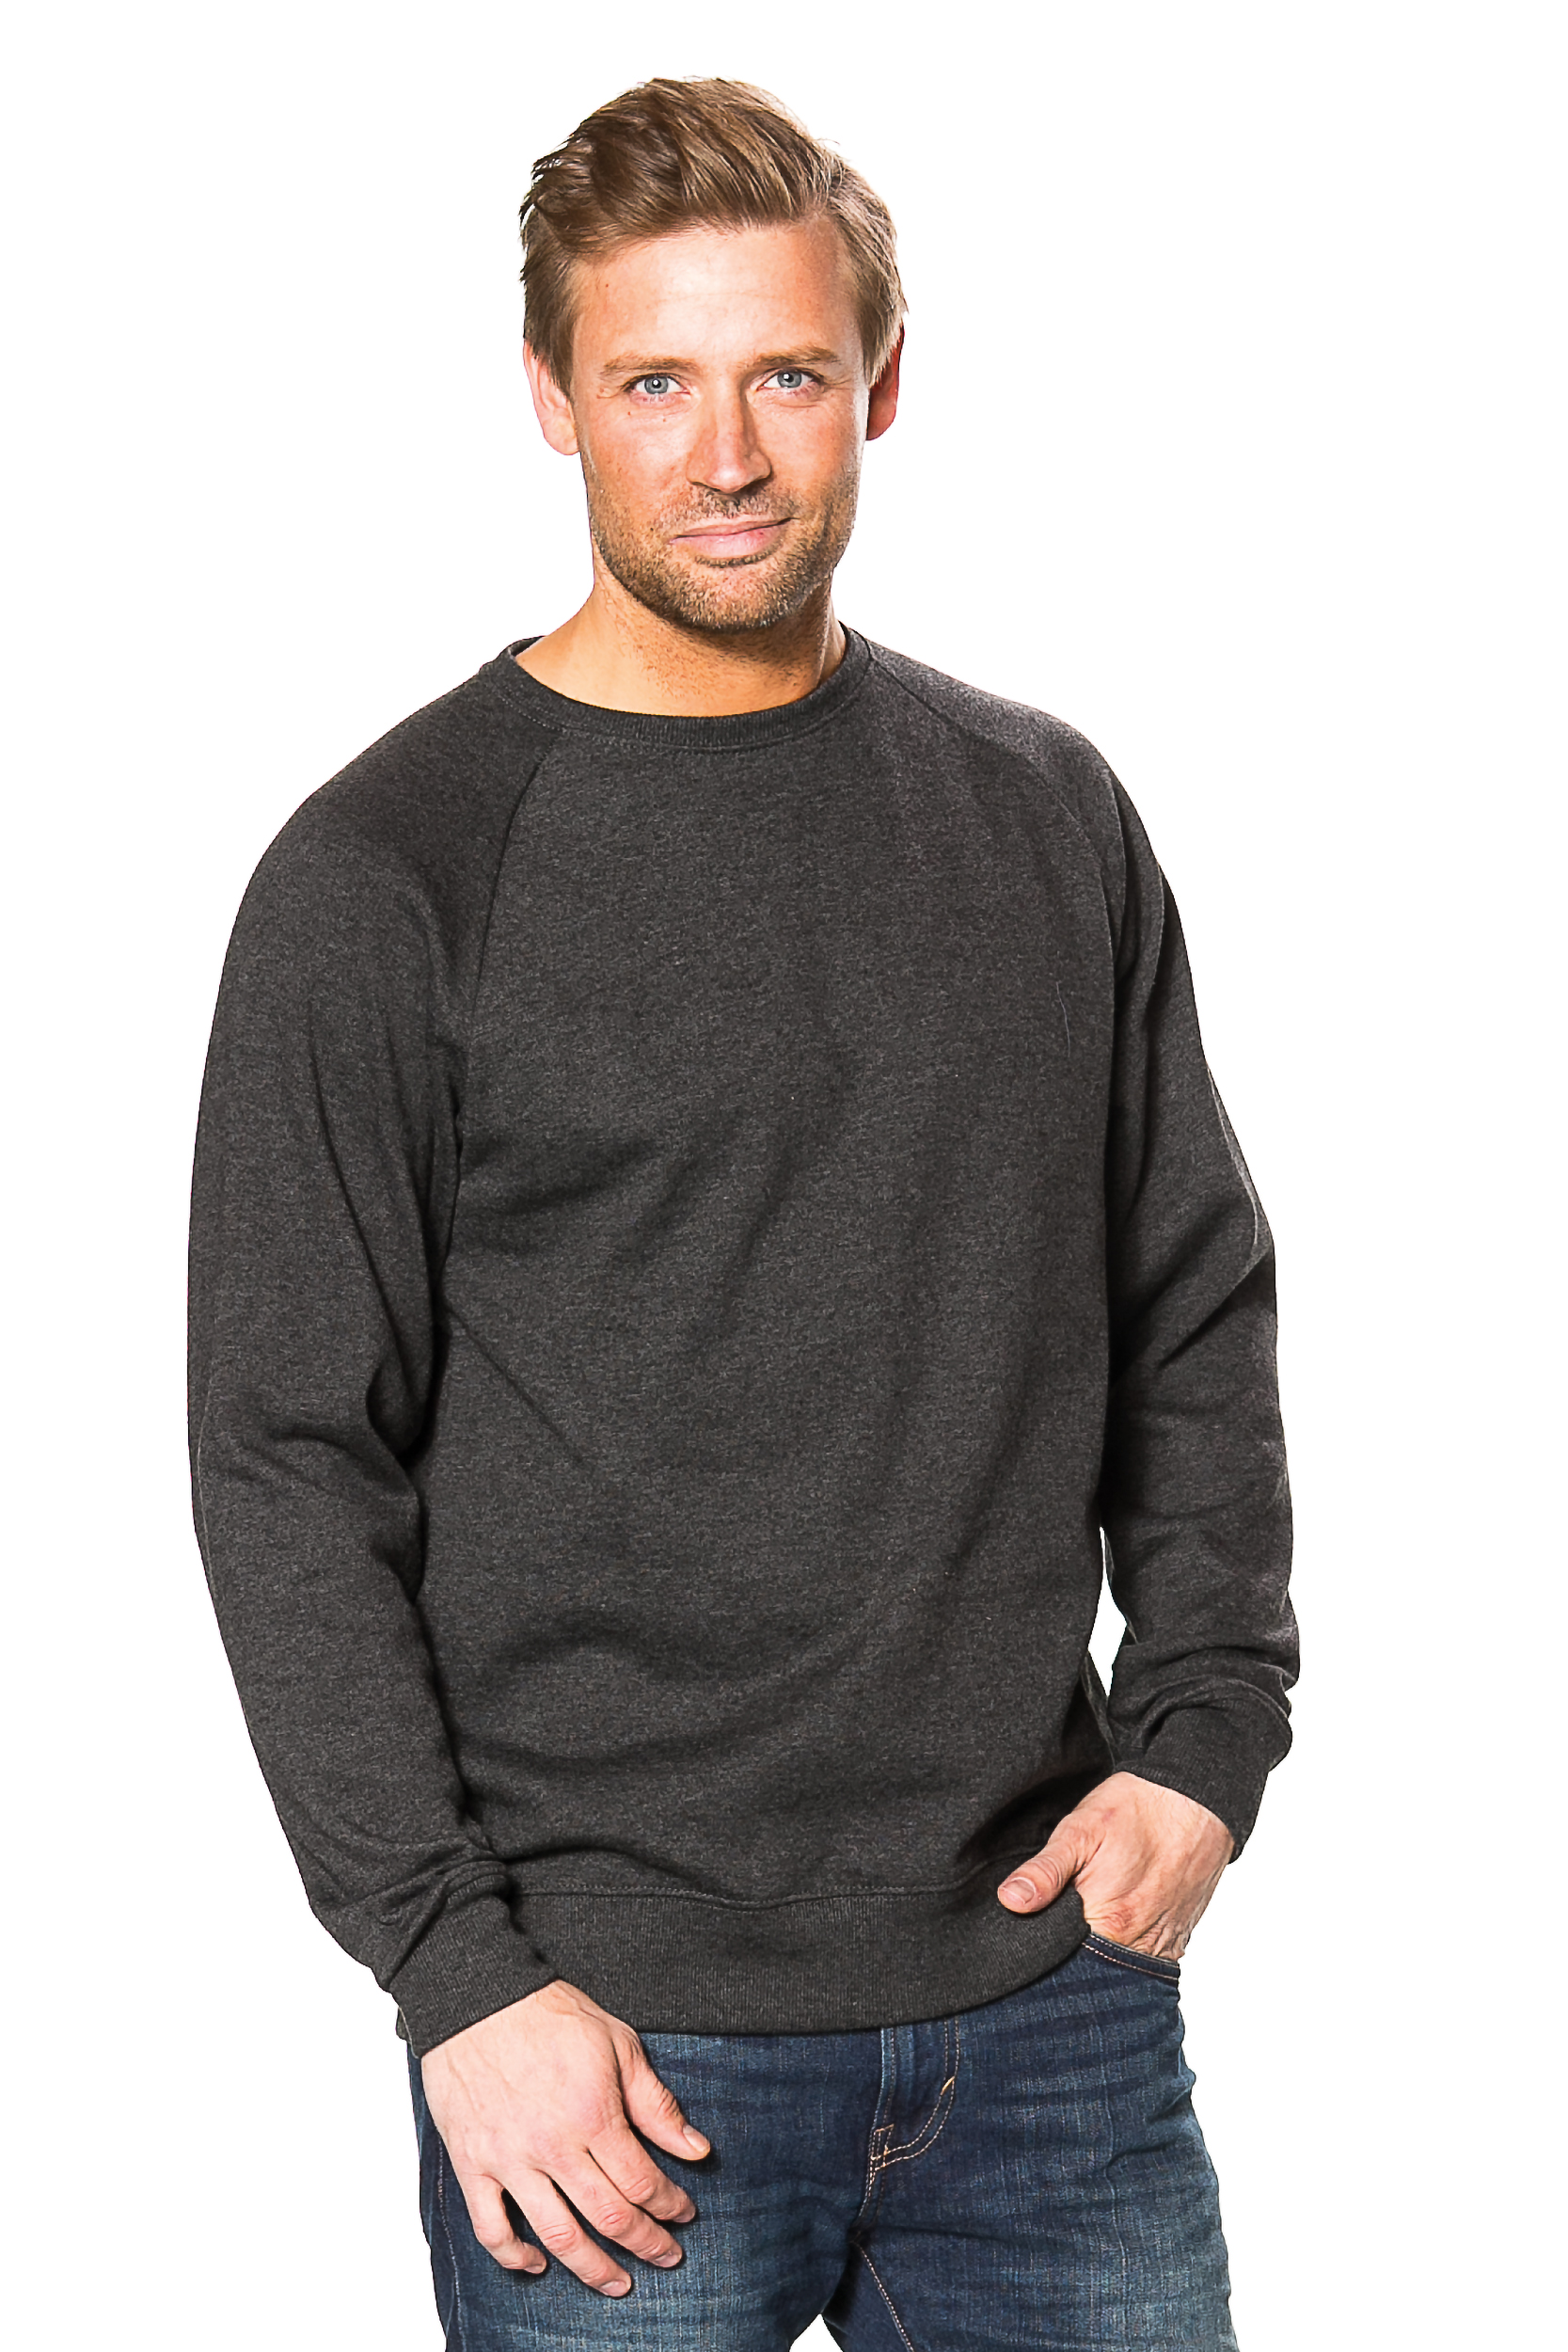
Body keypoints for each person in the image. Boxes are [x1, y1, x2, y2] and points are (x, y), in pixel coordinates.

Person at [188, 74, 1297, 2351]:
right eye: (653, 382)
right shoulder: (388, 875)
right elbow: (287, 1453)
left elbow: (1186, 1297)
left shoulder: (1044, 814)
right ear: (550, 396)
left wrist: (1207, 1731)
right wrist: (455, 1972)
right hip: (608, 2043)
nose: (725, 454)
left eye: (786, 373)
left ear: (881, 382)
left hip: (1052, 2015)